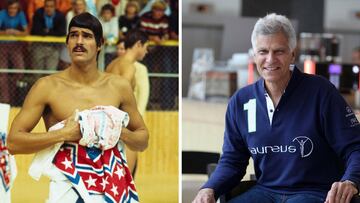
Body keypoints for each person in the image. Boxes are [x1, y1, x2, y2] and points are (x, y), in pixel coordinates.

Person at [193, 13, 360, 203]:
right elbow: (232, 161)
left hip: (314, 192)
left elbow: (355, 147)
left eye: (279, 51)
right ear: (254, 55)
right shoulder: (241, 101)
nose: (270, 59)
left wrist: (350, 181)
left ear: (292, 54)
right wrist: (209, 188)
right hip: (265, 192)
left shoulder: (321, 92)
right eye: (263, 51)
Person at [7, 12, 148, 202]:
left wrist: (119, 132)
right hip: (67, 188)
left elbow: (143, 139)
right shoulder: (47, 86)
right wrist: (64, 134)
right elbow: (13, 142)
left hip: (113, 188)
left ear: (100, 44)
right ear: (67, 43)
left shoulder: (118, 86)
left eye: (87, 36)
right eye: (73, 35)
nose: (79, 41)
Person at [106, 30, 150, 176]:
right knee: (126, 179)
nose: (146, 51)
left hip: (110, 121)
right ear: (138, 44)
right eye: (145, 47)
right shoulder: (129, 67)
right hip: (121, 123)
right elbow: (121, 98)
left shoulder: (113, 63)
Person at [0, 0, 28, 104]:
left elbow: (26, 32)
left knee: (20, 70)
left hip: (15, 45)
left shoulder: (21, 14)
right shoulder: (2, 13)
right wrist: (5, 32)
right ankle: (5, 100)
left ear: (17, 9)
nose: (12, 10)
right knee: (2, 74)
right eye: (10, 8)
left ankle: (12, 90)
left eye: (14, 8)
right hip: (2, 45)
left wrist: (17, 32)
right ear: (7, 8)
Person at [30, 0, 66, 71]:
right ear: (44, 6)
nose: (49, 9)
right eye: (47, 6)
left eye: (51, 6)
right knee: (37, 73)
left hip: (54, 48)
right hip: (39, 46)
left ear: (55, 7)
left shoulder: (60, 16)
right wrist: (53, 32)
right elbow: (36, 30)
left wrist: (46, 31)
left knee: (50, 72)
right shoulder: (38, 13)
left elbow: (61, 33)